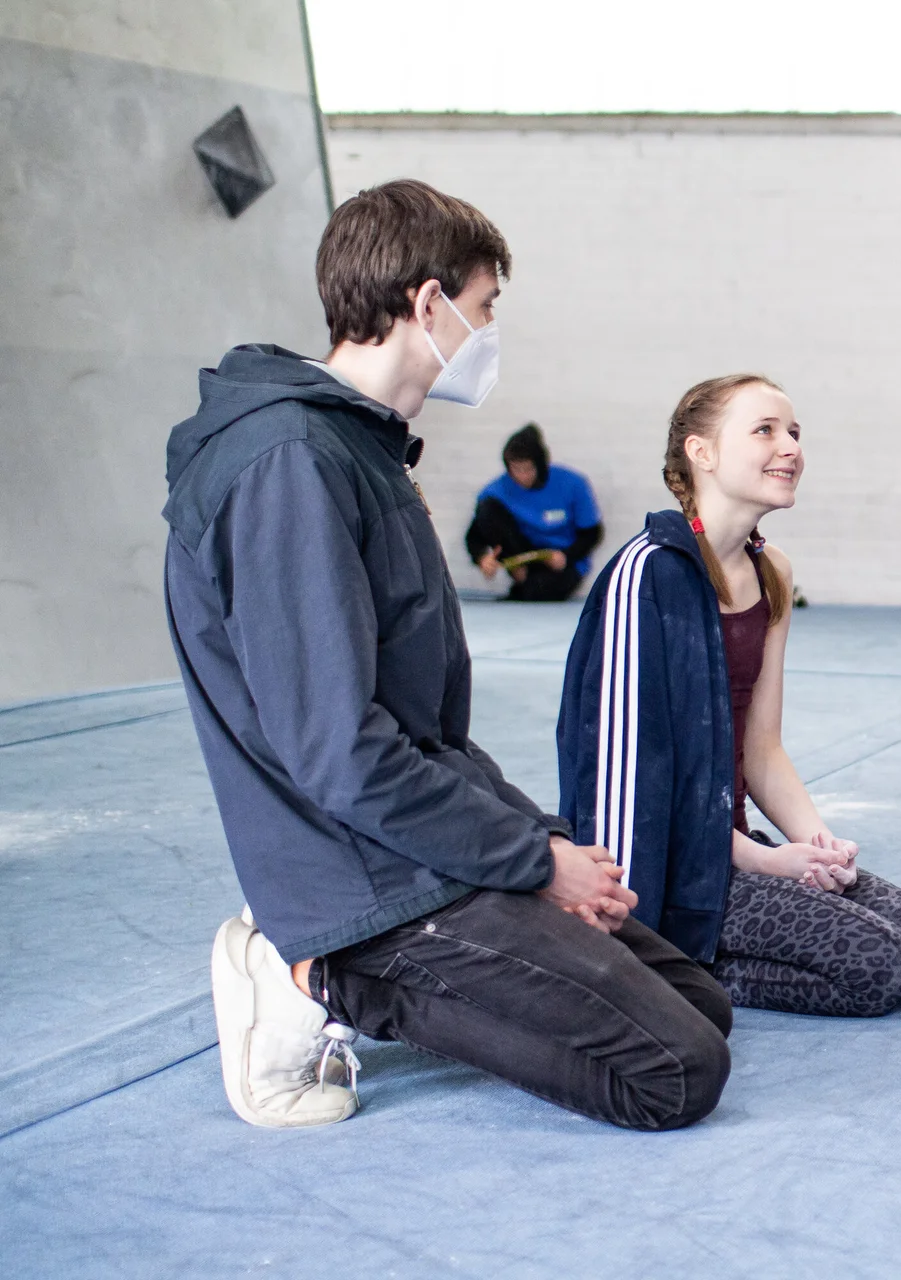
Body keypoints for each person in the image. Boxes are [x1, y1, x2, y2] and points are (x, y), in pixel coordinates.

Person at [163, 179, 731, 1131]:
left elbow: (425, 730)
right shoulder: (289, 465)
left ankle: (375, 959)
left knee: (702, 1005)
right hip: (364, 880)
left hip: (420, 842)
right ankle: (312, 975)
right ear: (428, 304)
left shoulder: (361, 451)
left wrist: (545, 841)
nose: (490, 330)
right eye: (485, 306)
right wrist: (532, 864)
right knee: (673, 1072)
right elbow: (340, 754)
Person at [557, 374, 901, 1017]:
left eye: (794, 432)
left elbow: (762, 749)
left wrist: (817, 846)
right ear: (702, 452)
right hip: (673, 870)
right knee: (880, 967)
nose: (790, 447)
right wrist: (760, 863)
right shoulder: (649, 573)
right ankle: (682, 963)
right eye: (765, 430)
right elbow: (634, 780)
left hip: (733, 845)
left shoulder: (772, 570)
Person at [465, 423, 604, 601]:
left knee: (541, 590)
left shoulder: (573, 484)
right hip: (522, 555)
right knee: (488, 508)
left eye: (528, 469)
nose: (522, 476)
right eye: (516, 469)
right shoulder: (496, 490)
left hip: (562, 559)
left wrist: (566, 556)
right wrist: (482, 558)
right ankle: (522, 578)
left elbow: (592, 533)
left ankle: (525, 586)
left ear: (540, 465)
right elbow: (474, 536)